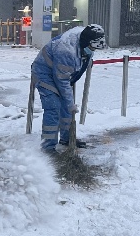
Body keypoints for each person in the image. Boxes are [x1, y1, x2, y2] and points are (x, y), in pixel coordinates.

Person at [31, 24, 106, 153]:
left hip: (60, 73)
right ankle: (48, 147)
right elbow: (62, 81)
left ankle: (67, 138)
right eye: (92, 47)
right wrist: (70, 104)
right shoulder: (66, 50)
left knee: (66, 107)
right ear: (86, 42)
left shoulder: (86, 40)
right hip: (44, 73)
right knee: (54, 106)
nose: (93, 50)